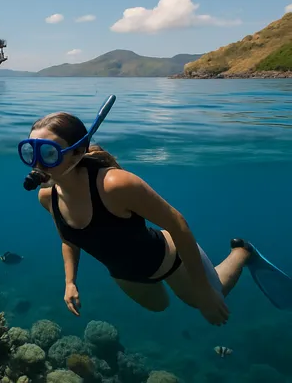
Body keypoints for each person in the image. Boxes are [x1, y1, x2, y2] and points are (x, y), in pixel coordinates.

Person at [19, 95, 292, 325]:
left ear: (78, 153)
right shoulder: (47, 197)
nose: (38, 164)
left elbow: (178, 223)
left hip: (170, 258)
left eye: (50, 153)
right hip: (125, 274)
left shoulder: (114, 184)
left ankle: (242, 251)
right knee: (159, 307)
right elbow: (68, 240)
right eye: (31, 152)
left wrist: (204, 291)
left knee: (208, 298)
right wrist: (70, 282)